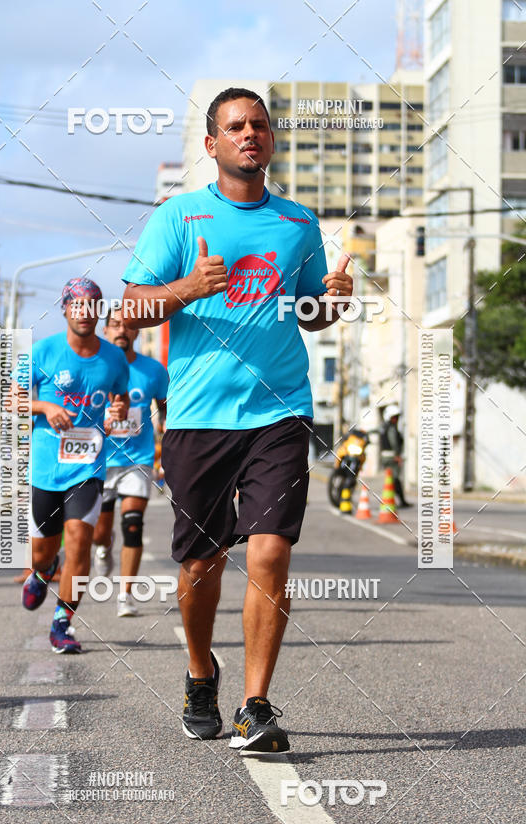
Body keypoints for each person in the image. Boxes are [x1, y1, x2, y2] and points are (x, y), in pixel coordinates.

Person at [121, 87, 353, 752]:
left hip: (280, 409)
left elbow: (307, 313)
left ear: (271, 140)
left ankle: (256, 704)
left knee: (271, 551)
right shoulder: (179, 218)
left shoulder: (298, 225)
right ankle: (201, 671)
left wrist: (335, 303)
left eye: (259, 125)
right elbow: (133, 308)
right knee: (200, 567)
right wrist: (185, 289)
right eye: (235, 126)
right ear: (211, 144)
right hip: (198, 414)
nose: (250, 134)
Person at [17, 277, 129, 652]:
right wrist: (46, 407)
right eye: (77, 305)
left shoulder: (113, 356)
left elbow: (121, 398)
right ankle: (45, 570)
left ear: (98, 311)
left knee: (80, 540)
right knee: (41, 551)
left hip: (89, 466)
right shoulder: (43, 352)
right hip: (48, 467)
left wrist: (117, 411)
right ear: (65, 309)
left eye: (91, 305)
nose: (84, 312)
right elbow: (11, 400)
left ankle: (63, 622)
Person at [92, 311, 168, 617]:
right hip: (99, 461)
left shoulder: (153, 370)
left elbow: (166, 411)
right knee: (100, 531)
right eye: (115, 325)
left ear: (137, 332)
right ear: (106, 331)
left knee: (133, 525)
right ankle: (102, 548)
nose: (122, 330)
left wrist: (171, 449)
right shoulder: (94, 367)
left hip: (138, 459)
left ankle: (125, 595)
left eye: (128, 326)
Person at [380, 404, 412, 508]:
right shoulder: (391, 428)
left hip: (385, 457)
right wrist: (397, 455)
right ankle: (397, 501)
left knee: (392, 479)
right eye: (394, 417)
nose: (396, 419)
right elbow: (394, 441)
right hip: (391, 457)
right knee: (395, 479)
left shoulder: (383, 427)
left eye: (397, 417)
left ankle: (395, 500)